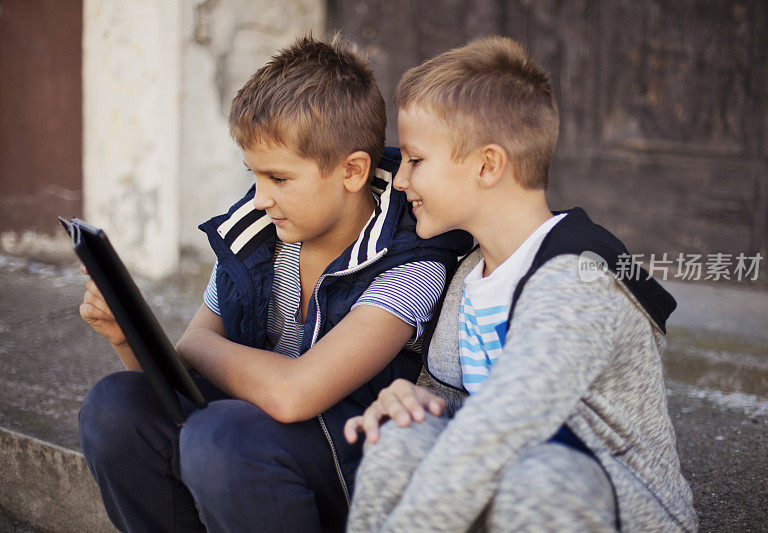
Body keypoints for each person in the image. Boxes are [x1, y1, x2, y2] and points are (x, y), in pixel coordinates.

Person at [77, 34, 472, 533]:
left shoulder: (408, 263)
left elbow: (293, 394)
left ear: (352, 171)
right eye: (254, 174)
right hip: (248, 440)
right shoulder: (259, 239)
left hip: (349, 467)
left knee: (220, 434)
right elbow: (184, 375)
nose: (260, 197)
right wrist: (126, 335)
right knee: (116, 406)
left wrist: (197, 345)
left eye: (279, 179)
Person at [344, 36, 698, 532]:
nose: (399, 180)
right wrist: (418, 402)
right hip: (509, 486)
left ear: (488, 165)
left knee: (538, 477)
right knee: (402, 438)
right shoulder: (467, 274)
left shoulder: (580, 273)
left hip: (602, 503)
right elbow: (472, 406)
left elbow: (506, 426)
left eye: (416, 161)